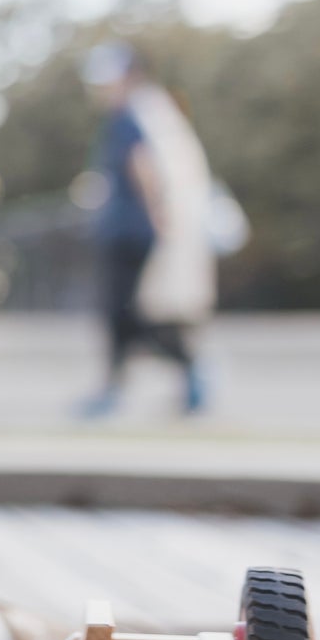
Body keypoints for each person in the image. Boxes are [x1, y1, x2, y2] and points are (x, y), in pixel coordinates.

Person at [77, 42, 214, 417]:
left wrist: (156, 212)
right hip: (133, 230)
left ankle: (188, 372)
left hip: (129, 232)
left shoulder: (129, 115)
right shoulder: (151, 113)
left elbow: (143, 166)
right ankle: (183, 376)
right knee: (127, 314)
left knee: (125, 314)